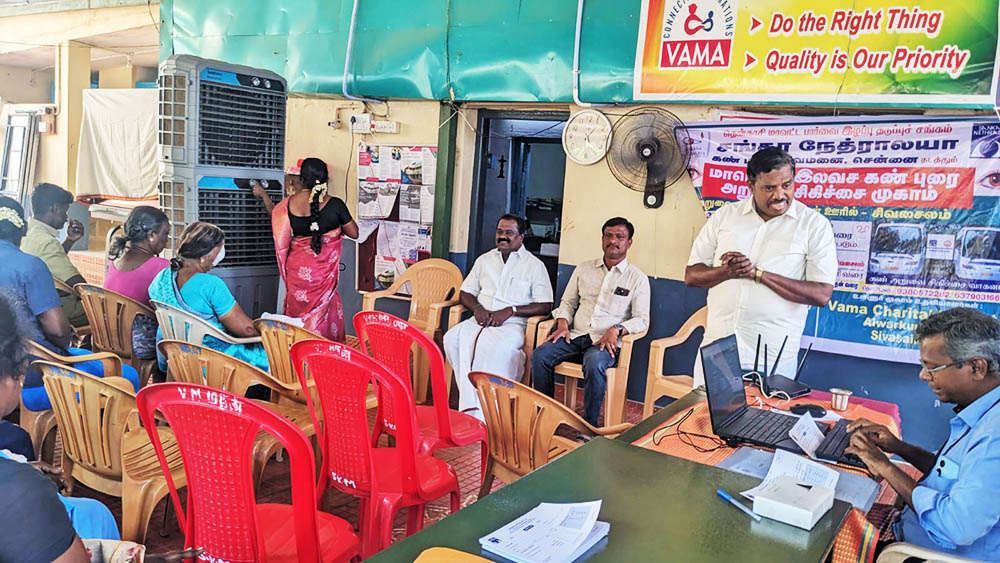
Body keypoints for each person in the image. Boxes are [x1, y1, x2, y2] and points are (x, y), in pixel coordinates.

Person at [846, 308, 1000, 560]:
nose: (923, 375)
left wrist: (884, 466)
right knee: (838, 509)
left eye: (933, 367)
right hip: (908, 526)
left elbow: (956, 527)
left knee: (826, 535)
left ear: (976, 367)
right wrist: (899, 447)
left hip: (923, 554)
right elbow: (950, 473)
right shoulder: (985, 411)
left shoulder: (994, 436)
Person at [685, 147, 836, 386]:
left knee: (765, 413)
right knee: (703, 411)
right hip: (718, 350)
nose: (779, 195)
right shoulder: (725, 216)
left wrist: (757, 274)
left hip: (773, 358)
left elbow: (821, 294)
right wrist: (727, 272)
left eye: (787, 185)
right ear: (751, 185)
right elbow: (692, 276)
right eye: (769, 188)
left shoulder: (814, 226)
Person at [0, 292, 120, 562]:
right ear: (11, 372)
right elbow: (59, 330)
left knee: (93, 512)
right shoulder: (21, 493)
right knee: (125, 376)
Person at [0, 196, 139, 416]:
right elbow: (58, 331)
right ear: (23, 230)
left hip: (15, 368)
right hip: (36, 373)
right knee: (128, 376)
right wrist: (65, 336)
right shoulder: (30, 266)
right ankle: (102, 434)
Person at [531, 217, 650, 427]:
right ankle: (546, 418)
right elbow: (568, 302)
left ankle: (587, 428)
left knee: (594, 364)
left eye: (620, 237)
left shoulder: (637, 278)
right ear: (602, 239)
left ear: (629, 242)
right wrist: (562, 323)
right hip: (576, 336)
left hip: (604, 343)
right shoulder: (584, 269)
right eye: (608, 236)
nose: (613, 241)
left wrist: (617, 329)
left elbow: (642, 320)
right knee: (540, 355)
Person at [443, 215, 553, 420]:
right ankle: (472, 404)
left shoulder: (534, 266)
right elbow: (465, 292)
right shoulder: (484, 260)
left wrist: (511, 310)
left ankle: (491, 408)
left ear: (521, 237)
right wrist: (477, 308)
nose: (503, 236)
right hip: (480, 320)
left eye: (509, 233)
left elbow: (546, 304)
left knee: (495, 349)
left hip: (512, 325)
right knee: (452, 339)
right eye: (500, 232)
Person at [148, 221, 269, 371]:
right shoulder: (211, 285)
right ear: (205, 256)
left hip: (175, 358)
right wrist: (271, 331)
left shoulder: (162, 278)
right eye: (219, 250)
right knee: (277, 357)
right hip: (210, 362)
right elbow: (246, 330)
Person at [270, 157, 359, 341]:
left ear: (301, 179)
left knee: (297, 312)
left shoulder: (287, 205)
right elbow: (354, 233)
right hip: (322, 273)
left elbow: (281, 232)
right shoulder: (335, 205)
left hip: (296, 271)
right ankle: (323, 350)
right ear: (326, 180)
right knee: (324, 313)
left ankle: (296, 348)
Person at [104, 206, 170, 363]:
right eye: (165, 234)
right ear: (151, 235)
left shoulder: (114, 262)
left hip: (107, 337)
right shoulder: (162, 267)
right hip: (137, 343)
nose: (167, 240)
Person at [20, 183, 89, 328]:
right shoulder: (47, 242)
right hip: (49, 309)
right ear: (55, 208)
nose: (66, 217)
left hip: (29, 304)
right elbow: (79, 285)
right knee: (103, 310)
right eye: (65, 211)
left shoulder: (27, 231)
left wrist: (69, 241)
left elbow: (50, 261)